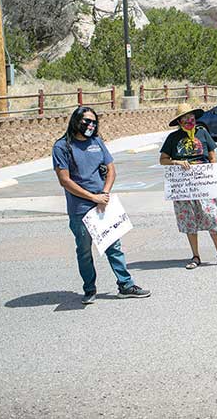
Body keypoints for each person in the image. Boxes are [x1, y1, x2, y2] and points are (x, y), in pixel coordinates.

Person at [53, 106, 150, 304]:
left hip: (103, 204)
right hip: (80, 208)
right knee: (85, 250)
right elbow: (65, 180)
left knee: (114, 246)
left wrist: (104, 193)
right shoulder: (62, 147)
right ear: (75, 121)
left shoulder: (97, 141)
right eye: (86, 121)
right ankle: (89, 289)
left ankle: (126, 285)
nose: (90, 125)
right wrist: (92, 197)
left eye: (94, 122)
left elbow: (111, 170)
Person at [159, 104, 217, 269]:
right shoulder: (173, 138)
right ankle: (195, 256)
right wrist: (176, 161)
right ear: (179, 121)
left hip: (204, 185)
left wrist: (211, 175)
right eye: (185, 118)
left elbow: (212, 155)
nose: (189, 121)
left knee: (213, 217)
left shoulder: (202, 133)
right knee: (189, 220)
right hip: (184, 186)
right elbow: (163, 159)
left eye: (192, 117)